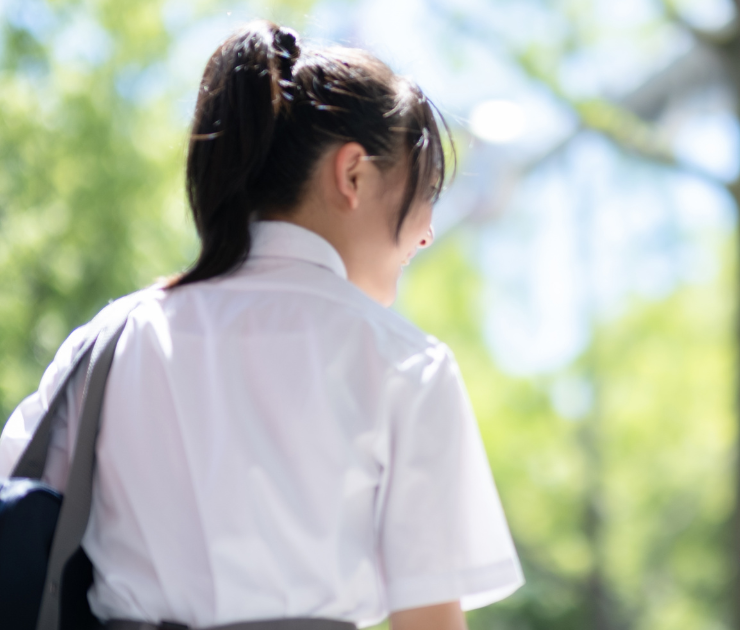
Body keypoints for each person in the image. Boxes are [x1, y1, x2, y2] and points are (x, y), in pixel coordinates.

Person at [0, 21, 523, 629]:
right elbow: (428, 621)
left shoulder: (112, 341)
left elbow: (15, 514)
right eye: (427, 186)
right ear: (352, 175)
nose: (429, 229)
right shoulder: (404, 364)